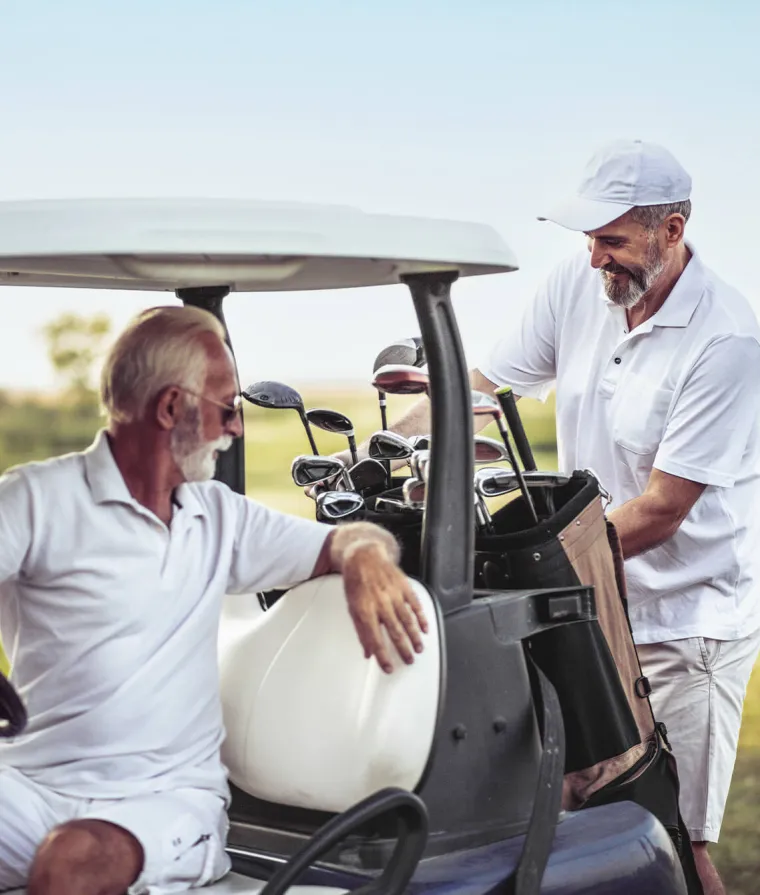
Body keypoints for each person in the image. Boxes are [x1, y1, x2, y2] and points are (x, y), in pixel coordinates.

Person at [361, 140, 760, 895]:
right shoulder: (579, 288)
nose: (592, 259)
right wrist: (392, 449)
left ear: (671, 231)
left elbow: (664, 508)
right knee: (578, 813)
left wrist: (532, 561)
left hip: (685, 622)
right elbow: (477, 385)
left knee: (673, 837)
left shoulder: (728, 340)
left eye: (611, 240)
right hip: (584, 599)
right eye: (588, 239)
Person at [0, 305, 428, 895]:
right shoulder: (35, 500)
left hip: (162, 805)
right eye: (228, 409)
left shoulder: (218, 516)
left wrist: (367, 557)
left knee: (73, 861)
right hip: (26, 788)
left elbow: (346, 537)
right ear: (172, 408)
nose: (237, 428)